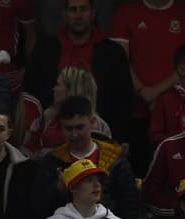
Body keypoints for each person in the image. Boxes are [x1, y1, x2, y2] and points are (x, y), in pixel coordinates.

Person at [24, 0, 132, 145]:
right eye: (73, 10)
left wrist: (117, 140)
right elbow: (31, 92)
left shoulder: (112, 52)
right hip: (50, 137)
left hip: (101, 137)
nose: (78, 15)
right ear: (64, 15)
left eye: (83, 9)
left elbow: (123, 101)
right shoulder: (45, 50)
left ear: (93, 14)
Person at [32, 96, 138, 219]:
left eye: (79, 127)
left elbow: (129, 207)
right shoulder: (52, 161)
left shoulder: (115, 159)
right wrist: (58, 192)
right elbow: (40, 210)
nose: (74, 134)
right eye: (68, 129)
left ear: (92, 122)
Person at [111, 0, 185, 169]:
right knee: (136, 172)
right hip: (135, 111)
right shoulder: (126, 12)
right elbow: (119, 59)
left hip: (176, 112)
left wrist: (155, 94)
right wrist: (143, 91)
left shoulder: (182, 12)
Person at [27, 67, 115, 155]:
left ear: (73, 89)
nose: (54, 89)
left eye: (58, 85)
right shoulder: (47, 117)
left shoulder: (98, 126)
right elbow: (29, 149)